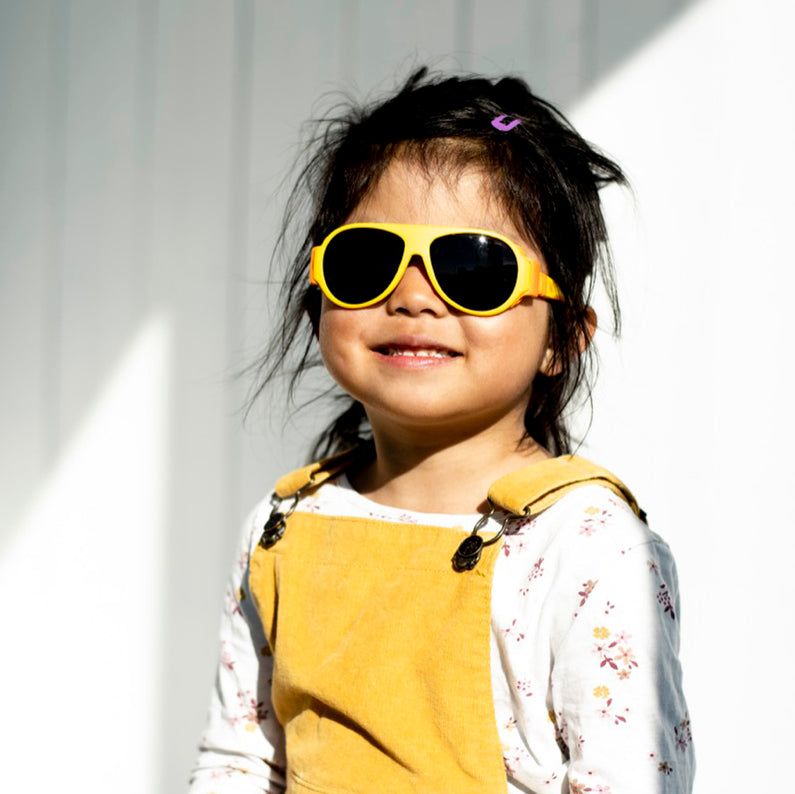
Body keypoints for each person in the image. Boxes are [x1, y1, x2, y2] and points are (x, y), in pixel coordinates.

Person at [189, 68, 694, 793]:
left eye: (474, 268)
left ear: (563, 338)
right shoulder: (287, 522)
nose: (413, 295)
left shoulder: (586, 545)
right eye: (367, 260)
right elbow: (240, 763)